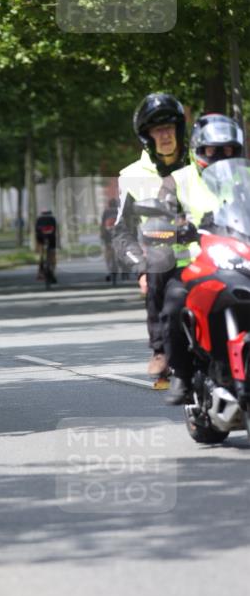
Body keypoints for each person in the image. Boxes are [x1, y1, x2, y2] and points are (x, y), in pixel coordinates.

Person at [161, 113, 245, 404]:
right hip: (195, 264)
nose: (221, 155)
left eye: (229, 149)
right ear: (198, 150)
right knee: (174, 304)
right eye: (212, 150)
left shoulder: (245, 177)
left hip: (240, 258)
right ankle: (181, 373)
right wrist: (176, 228)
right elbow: (161, 217)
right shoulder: (178, 181)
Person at [112, 93, 189, 382]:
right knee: (157, 265)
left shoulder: (200, 165)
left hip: (207, 254)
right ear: (147, 136)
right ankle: (161, 350)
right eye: (158, 130)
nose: (165, 135)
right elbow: (121, 231)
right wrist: (140, 267)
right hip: (163, 262)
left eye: (169, 127)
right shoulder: (130, 175)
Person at [35, 209, 57, 283]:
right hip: (51, 238)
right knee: (52, 253)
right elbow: (56, 231)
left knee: (40, 252)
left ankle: (40, 270)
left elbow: (36, 231)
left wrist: (37, 246)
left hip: (40, 237)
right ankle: (53, 273)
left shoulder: (39, 219)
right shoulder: (52, 219)